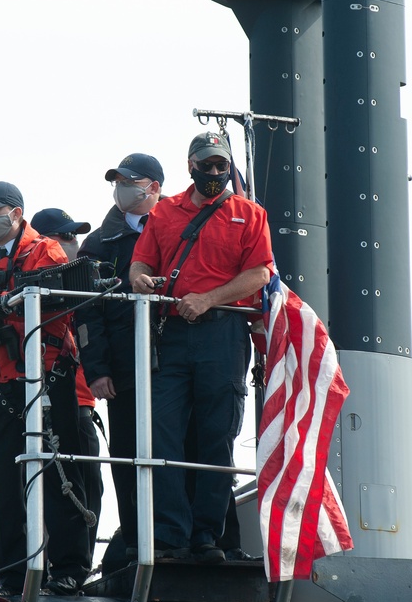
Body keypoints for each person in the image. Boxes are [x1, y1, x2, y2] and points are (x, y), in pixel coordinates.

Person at [0, 181, 93, 597]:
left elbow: (53, 296)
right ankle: (11, 576)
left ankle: (69, 568)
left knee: (59, 474)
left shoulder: (45, 251)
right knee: (4, 485)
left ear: (15, 213)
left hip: (48, 378)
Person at [129, 132, 273, 563]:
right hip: (171, 334)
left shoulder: (249, 214)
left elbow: (260, 275)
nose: (213, 173)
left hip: (223, 334)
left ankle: (208, 536)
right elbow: (141, 262)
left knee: (217, 436)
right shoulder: (166, 212)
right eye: (206, 165)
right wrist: (138, 278)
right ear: (190, 165)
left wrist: (209, 299)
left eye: (220, 166)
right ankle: (171, 535)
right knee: (162, 434)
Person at [75, 152, 163, 561]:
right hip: (125, 370)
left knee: (184, 450)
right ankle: (134, 540)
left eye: (130, 180)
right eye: (118, 181)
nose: (122, 188)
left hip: (175, 366)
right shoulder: (97, 244)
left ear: (154, 187)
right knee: (127, 455)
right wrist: (97, 371)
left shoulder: (179, 227)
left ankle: (184, 538)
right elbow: (87, 314)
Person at [29, 207, 104, 559]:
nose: (74, 244)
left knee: (89, 485)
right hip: (51, 403)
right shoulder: (34, 288)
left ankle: (78, 563)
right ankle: (58, 565)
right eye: (66, 236)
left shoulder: (82, 287)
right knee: (56, 488)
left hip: (83, 404)